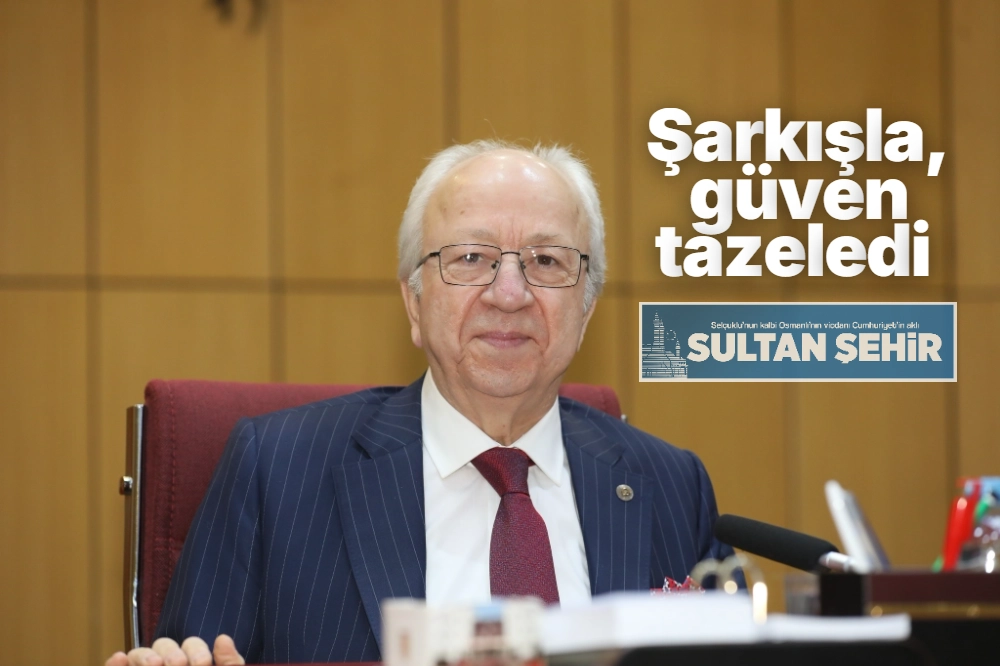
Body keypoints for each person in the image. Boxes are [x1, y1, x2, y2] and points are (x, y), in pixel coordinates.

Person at [107, 140, 735, 666]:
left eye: (546, 260)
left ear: (587, 308)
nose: (509, 293)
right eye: (471, 258)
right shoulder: (274, 473)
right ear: (414, 301)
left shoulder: (671, 485)